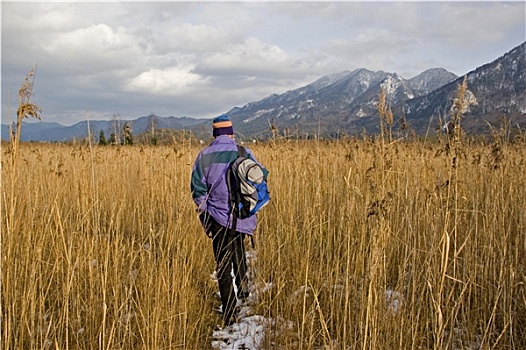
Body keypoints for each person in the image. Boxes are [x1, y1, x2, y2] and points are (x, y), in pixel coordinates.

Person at [190, 114, 269, 326]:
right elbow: (261, 177)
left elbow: (197, 191)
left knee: (223, 262)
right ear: (231, 132)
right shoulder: (244, 152)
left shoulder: (204, 156)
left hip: (217, 219)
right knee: (239, 249)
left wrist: (207, 214)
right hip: (242, 216)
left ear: (215, 133)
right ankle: (243, 289)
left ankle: (230, 311)